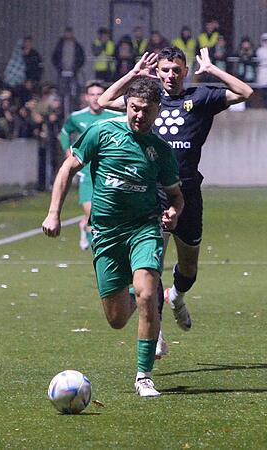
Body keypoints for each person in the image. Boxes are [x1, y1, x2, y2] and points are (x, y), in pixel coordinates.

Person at [97, 48, 252, 347]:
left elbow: (245, 92)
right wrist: (134, 74)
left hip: (188, 192)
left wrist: (212, 70)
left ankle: (177, 296)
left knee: (189, 269)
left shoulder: (201, 97)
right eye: (165, 70)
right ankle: (154, 332)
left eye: (176, 70)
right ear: (157, 72)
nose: (170, 75)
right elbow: (104, 101)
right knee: (151, 266)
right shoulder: (149, 101)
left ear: (185, 71)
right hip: (151, 194)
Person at [42, 77, 184, 398]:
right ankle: (141, 296)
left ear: (158, 110)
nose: (139, 115)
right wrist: (53, 213)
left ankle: (144, 377)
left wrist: (174, 212)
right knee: (117, 319)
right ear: (126, 105)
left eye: (146, 110)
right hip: (106, 234)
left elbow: (176, 196)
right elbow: (67, 168)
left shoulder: (160, 151)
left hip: (144, 229)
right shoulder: (102, 132)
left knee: (147, 293)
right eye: (134, 108)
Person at [59, 80, 123, 250]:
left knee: (108, 214)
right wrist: (68, 150)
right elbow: (64, 132)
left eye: (99, 94)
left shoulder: (115, 115)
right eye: (92, 94)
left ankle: (87, 227)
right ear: (86, 97)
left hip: (110, 171)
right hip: (86, 171)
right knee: (92, 213)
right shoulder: (77, 117)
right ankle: (96, 246)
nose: (95, 98)